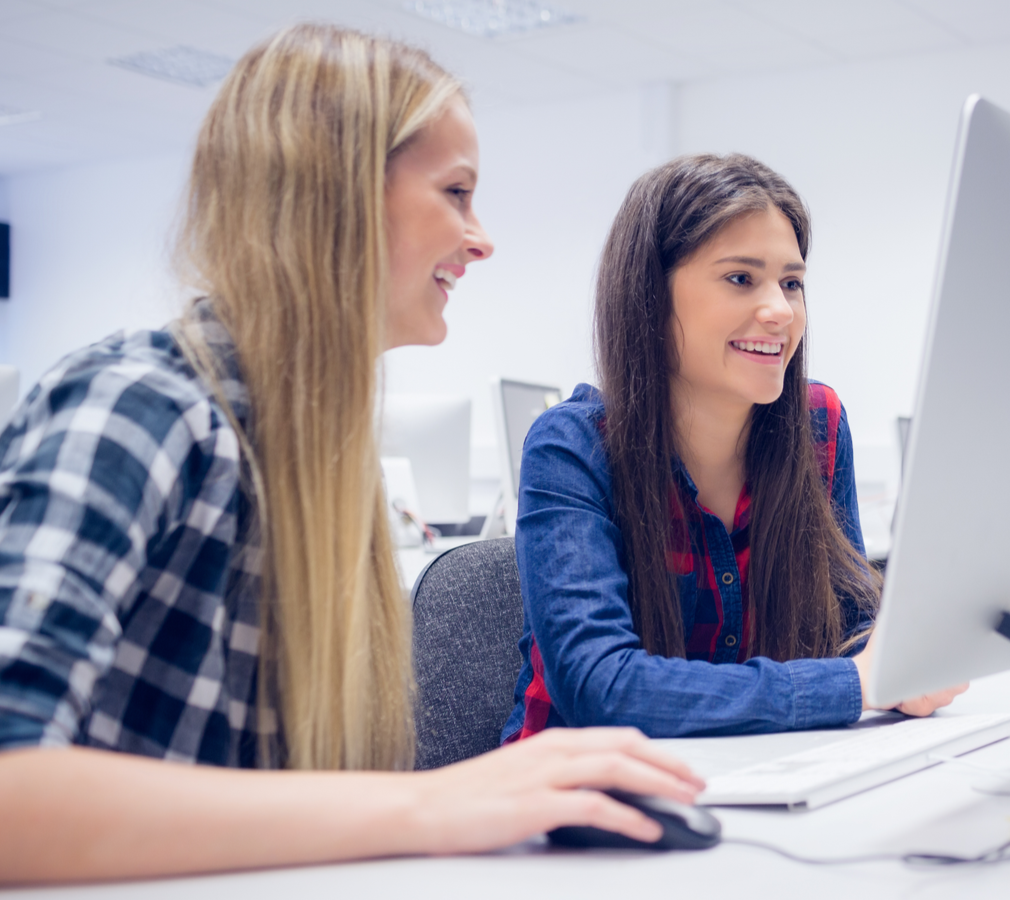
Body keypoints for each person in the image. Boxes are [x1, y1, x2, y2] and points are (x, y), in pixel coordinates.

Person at [0, 24, 699, 885]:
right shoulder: (141, 405)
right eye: (456, 192)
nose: (481, 240)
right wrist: (438, 804)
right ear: (336, 192)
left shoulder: (314, 453)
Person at [503, 154, 966, 742]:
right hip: (580, 805)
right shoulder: (574, 447)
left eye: (792, 283)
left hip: (756, 776)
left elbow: (850, 629)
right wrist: (854, 685)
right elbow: (603, 688)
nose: (779, 310)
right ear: (649, 295)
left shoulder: (817, 424)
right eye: (741, 278)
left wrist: (906, 660)